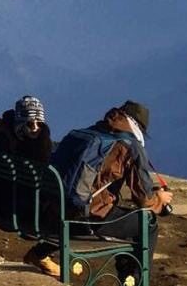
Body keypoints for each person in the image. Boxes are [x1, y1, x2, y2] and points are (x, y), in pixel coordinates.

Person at [50, 101, 172, 283]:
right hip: (84, 220)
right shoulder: (130, 146)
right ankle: (135, 280)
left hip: (51, 213)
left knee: (124, 219)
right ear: (139, 127)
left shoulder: (89, 133)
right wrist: (160, 199)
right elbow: (144, 201)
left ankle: (39, 252)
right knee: (147, 223)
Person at [0, 96, 56, 276]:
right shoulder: (22, 140)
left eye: (38, 123)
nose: (36, 128)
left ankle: (42, 255)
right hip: (16, 209)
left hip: (3, 201)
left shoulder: (1, 133)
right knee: (66, 213)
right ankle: (41, 254)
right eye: (31, 124)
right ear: (21, 121)